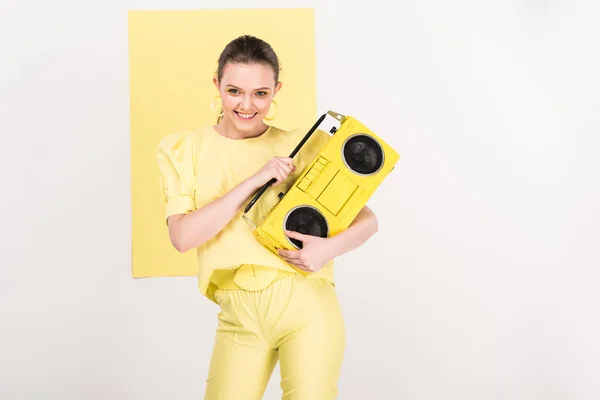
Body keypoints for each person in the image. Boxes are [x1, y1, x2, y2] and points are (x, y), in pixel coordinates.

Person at [156, 34, 379, 400]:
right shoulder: (183, 149)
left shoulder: (302, 146)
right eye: (234, 91)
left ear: (276, 90)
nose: (247, 105)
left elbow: (367, 220)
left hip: (307, 301)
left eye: (260, 93)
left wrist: (326, 250)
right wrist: (255, 180)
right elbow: (182, 237)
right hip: (239, 310)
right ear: (217, 85)